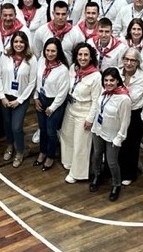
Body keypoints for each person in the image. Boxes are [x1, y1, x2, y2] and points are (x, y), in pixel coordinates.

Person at [60, 42, 101, 184]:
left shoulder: (96, 76)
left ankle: (77, 173)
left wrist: (90, 118)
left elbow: (96, 101)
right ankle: (68, 162)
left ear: (91, 57)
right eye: (80, 55)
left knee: (81, 144)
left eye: (86, 55)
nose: (83, 58)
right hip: (70, 107)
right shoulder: (73, 68)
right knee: (66, 135)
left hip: (84, 111)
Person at [89, 67, 133, 201]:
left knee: (112, 162)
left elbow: (125, 121)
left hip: (113, 135)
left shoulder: (124, 99)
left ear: (118, 81)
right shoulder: (104, 92)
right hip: (98, 130)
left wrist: (119, 138)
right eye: (106, 80)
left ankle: (116, 184)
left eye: (112, 80)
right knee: (97, 155)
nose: (108, 83)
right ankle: (97, 176)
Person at [0, 30, 35, 167]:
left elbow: (32, 83)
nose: (18, 44)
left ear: (26, 43)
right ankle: (10, 145)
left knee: (16, 127)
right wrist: (2, 96)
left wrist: (20, 100)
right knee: (7, 124)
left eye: (21, 42)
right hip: (5, 97)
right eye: (16, 41)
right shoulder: (5, 56)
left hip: (21, 98)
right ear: (12, 43)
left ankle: (19, 151)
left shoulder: (31, 59)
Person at [34, 36, 71, 171]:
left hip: (54, 102)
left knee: (51, 131)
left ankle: (50, 156)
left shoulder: (63, 69)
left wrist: (52, 107)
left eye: (53, 51)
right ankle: (42, 152)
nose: (49, 54)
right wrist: (35, 97)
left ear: (58, 52)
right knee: (42, 129)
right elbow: (37, 81)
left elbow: (63, 92)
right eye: (47, 50)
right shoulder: (41, 61)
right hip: (41, 99)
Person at [119, 47, 143, 186]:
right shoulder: (117, 73)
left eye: (132, 60)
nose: (129, 63)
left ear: (138, 62)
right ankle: (116, 170)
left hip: (135, 115)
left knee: (131, 146)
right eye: (126, 59)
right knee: (118, 143)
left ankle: (129, 173)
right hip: (118, 114)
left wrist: (142, 118)